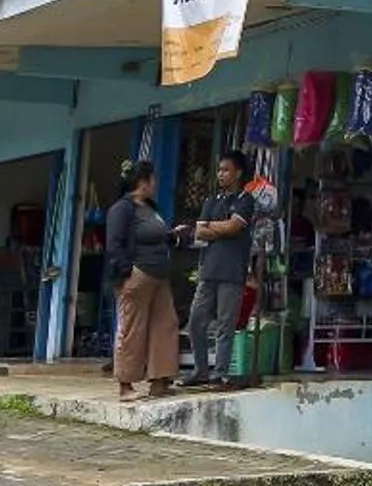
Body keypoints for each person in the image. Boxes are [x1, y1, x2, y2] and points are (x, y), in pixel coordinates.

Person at [180, 148, 259, 389]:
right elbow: (200, 231)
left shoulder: (245, 200)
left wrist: (212, 227)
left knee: (226, 325)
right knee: (196, 321)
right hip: (208, 271)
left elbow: (233, 227)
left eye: (226, 170)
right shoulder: (211, 201)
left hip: (232, 272)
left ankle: (220, 373)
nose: (220, 174)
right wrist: (220, 227)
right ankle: (201, 370)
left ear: (238, 173)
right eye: (219, 170)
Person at [104, 160, 180, 399]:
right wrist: (128, 271)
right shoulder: (122, 209)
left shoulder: (150, 208)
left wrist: (172, 236)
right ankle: (125, 385)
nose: (155, 184)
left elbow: (154, 235)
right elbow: (114, 244)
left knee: (165, 325)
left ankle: (160, 380)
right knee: (132, 329)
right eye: (153, 179)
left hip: (159, 276)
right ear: (143, 182)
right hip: (138, 275)